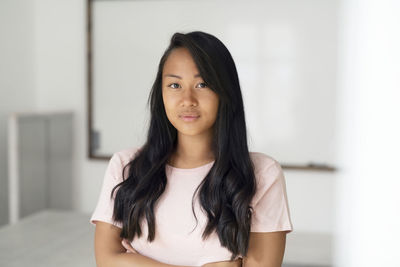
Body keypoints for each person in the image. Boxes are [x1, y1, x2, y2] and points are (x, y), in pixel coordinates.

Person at [90, 31, 293, 267]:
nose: (187, 99)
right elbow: (106, 260)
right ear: (161, 94)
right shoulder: (126, 166)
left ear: (225, 92)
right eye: (175, 85)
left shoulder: (262, 173)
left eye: (202, 84)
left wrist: (135, 260)